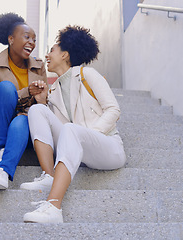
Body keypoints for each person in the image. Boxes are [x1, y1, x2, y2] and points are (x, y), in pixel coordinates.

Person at [20, 25, 126, 223]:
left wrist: (89, 134)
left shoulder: (88, 74)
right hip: (80, 148)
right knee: (36, 110)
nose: (47, 55)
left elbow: (113, 110)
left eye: (52, 50)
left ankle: (53, 207)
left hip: (108, 146)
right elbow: (59, 131)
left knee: (72, 130)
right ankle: (50, 175)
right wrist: (43, 101)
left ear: (65, 55)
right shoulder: (55, 90)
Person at [0, 13, 47, 190]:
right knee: (5, 88)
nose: (32, 42)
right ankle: (0, 149)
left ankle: (3, 170)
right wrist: (27, 92)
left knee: (22, 119)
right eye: (27, 37)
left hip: (23, 124)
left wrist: (40, 96)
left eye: (34, 39)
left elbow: (44, 102)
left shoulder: (39, 66)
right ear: (11, 39)